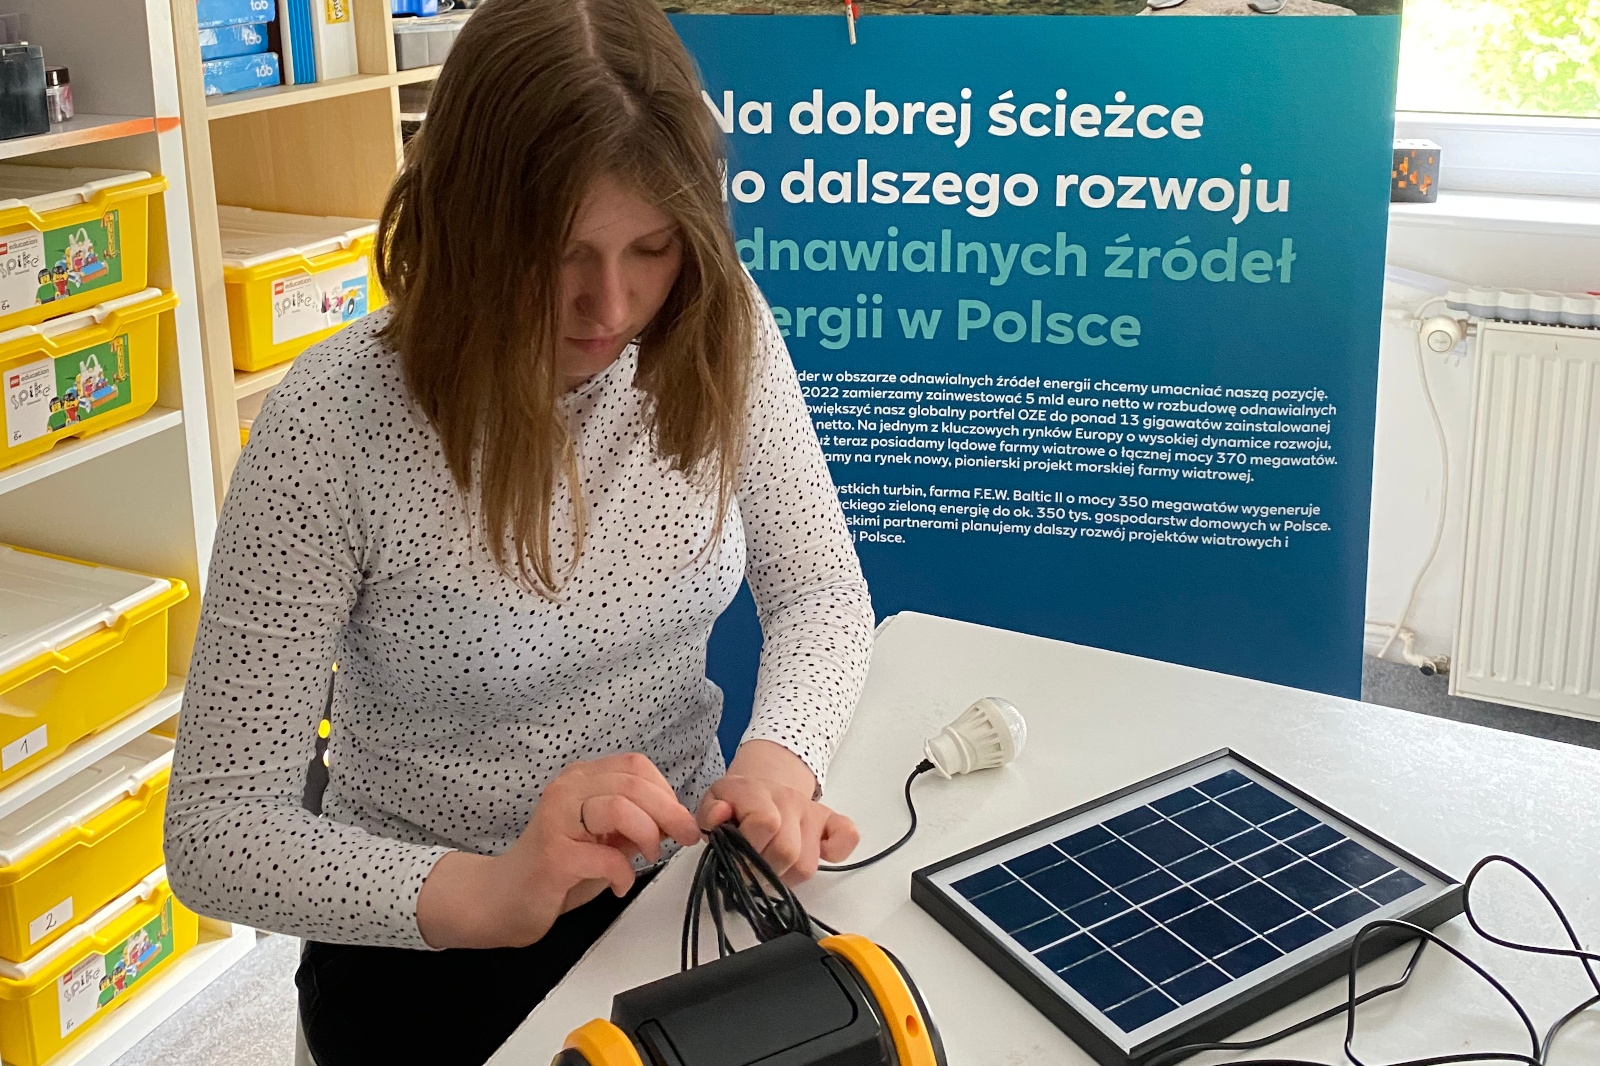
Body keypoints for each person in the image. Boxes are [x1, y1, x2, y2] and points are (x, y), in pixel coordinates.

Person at [163, 0, 874, 1062]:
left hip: (675, 898)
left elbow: (819, 589)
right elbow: (218, 833)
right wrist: (494, 891)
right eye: (560, 254)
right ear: (466, 224)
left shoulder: (722, 331)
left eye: (653, 247)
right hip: (425, 932)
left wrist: (778, 761)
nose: (612, 305)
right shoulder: (337, 420)